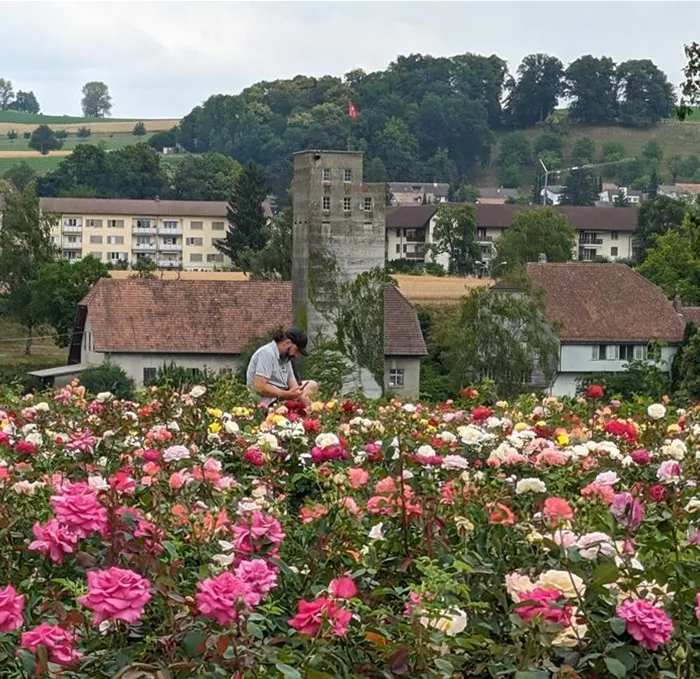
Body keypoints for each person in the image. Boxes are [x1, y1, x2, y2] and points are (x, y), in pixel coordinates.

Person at [246, 328, 318, 407]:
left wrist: (307, 402)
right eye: (296, 350)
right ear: (287, 343)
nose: (296, 355)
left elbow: (294, 387)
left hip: (282, 396)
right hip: (266, 401)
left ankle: (313, 409)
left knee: (312, 384)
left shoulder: (286, 359)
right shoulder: (267, 353)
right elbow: (260, 387)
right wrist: (286, 394)